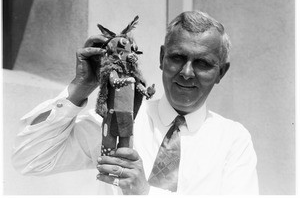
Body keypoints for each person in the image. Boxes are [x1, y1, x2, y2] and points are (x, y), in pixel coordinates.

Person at [12, 10, 259, 195]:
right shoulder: (118, 116)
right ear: (162, 58)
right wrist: (80, 87)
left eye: (202, 63)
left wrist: (146, 192)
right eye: (177, 57)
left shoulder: (233, 140)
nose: (186, 72)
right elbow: (29, 160)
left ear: (221, 73)